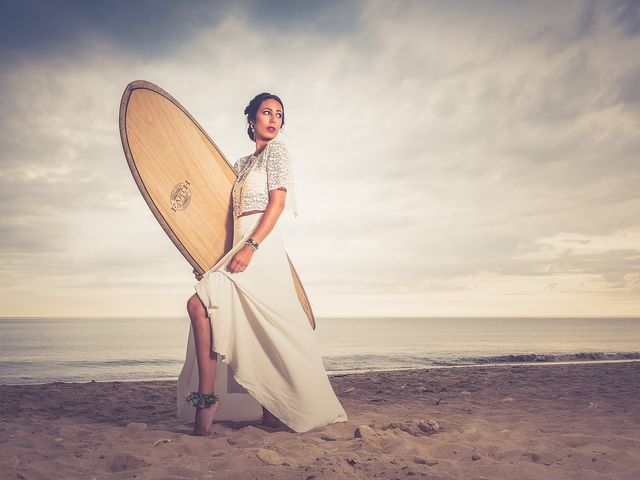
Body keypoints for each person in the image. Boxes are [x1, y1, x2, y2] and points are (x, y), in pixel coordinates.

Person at [176, 92, 348, 435]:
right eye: (266, 112)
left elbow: (277, 204)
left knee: (203, 305)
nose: (273, 119)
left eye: (279, 115)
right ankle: (219, 401)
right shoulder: (239, 166)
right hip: (237, 246)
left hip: (261, 247)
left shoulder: (278, 151)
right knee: (209, 310)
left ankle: (211, 399)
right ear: (251, 118)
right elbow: (220, 221)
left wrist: (252, 246)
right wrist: (210, 261)